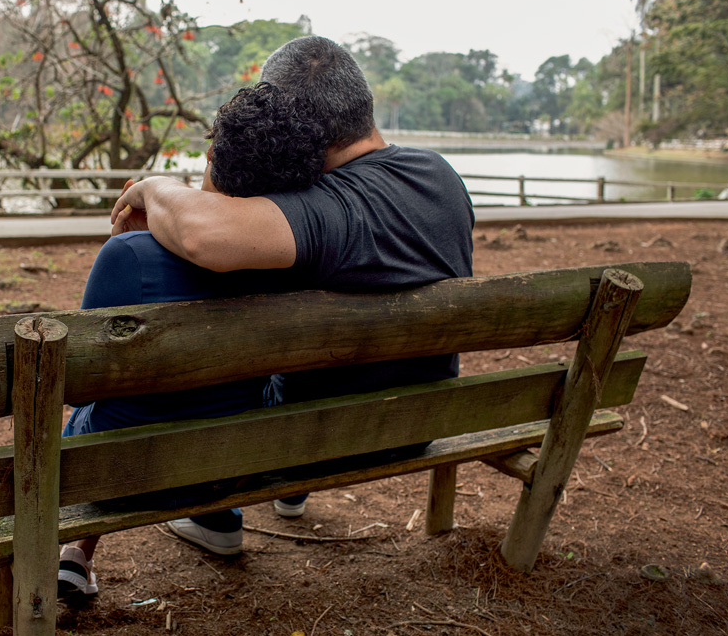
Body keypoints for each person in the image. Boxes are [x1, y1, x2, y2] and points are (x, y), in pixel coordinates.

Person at [111, 36, 475, 518]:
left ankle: (217, 518)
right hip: (417, 422)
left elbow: (204, 236)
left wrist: (154, 188)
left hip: (319, 439)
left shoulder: (330, 207)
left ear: (293, 127)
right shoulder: (438, 173)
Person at [56, 81, 329, 599]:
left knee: (89, 414)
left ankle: (73, 553)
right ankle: (219, 520)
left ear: (211, 159)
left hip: (124, 467)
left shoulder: (132, 255)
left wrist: (130, 241)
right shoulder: (303, 258)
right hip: (237, 465)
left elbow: (79, 386)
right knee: (233, 399)